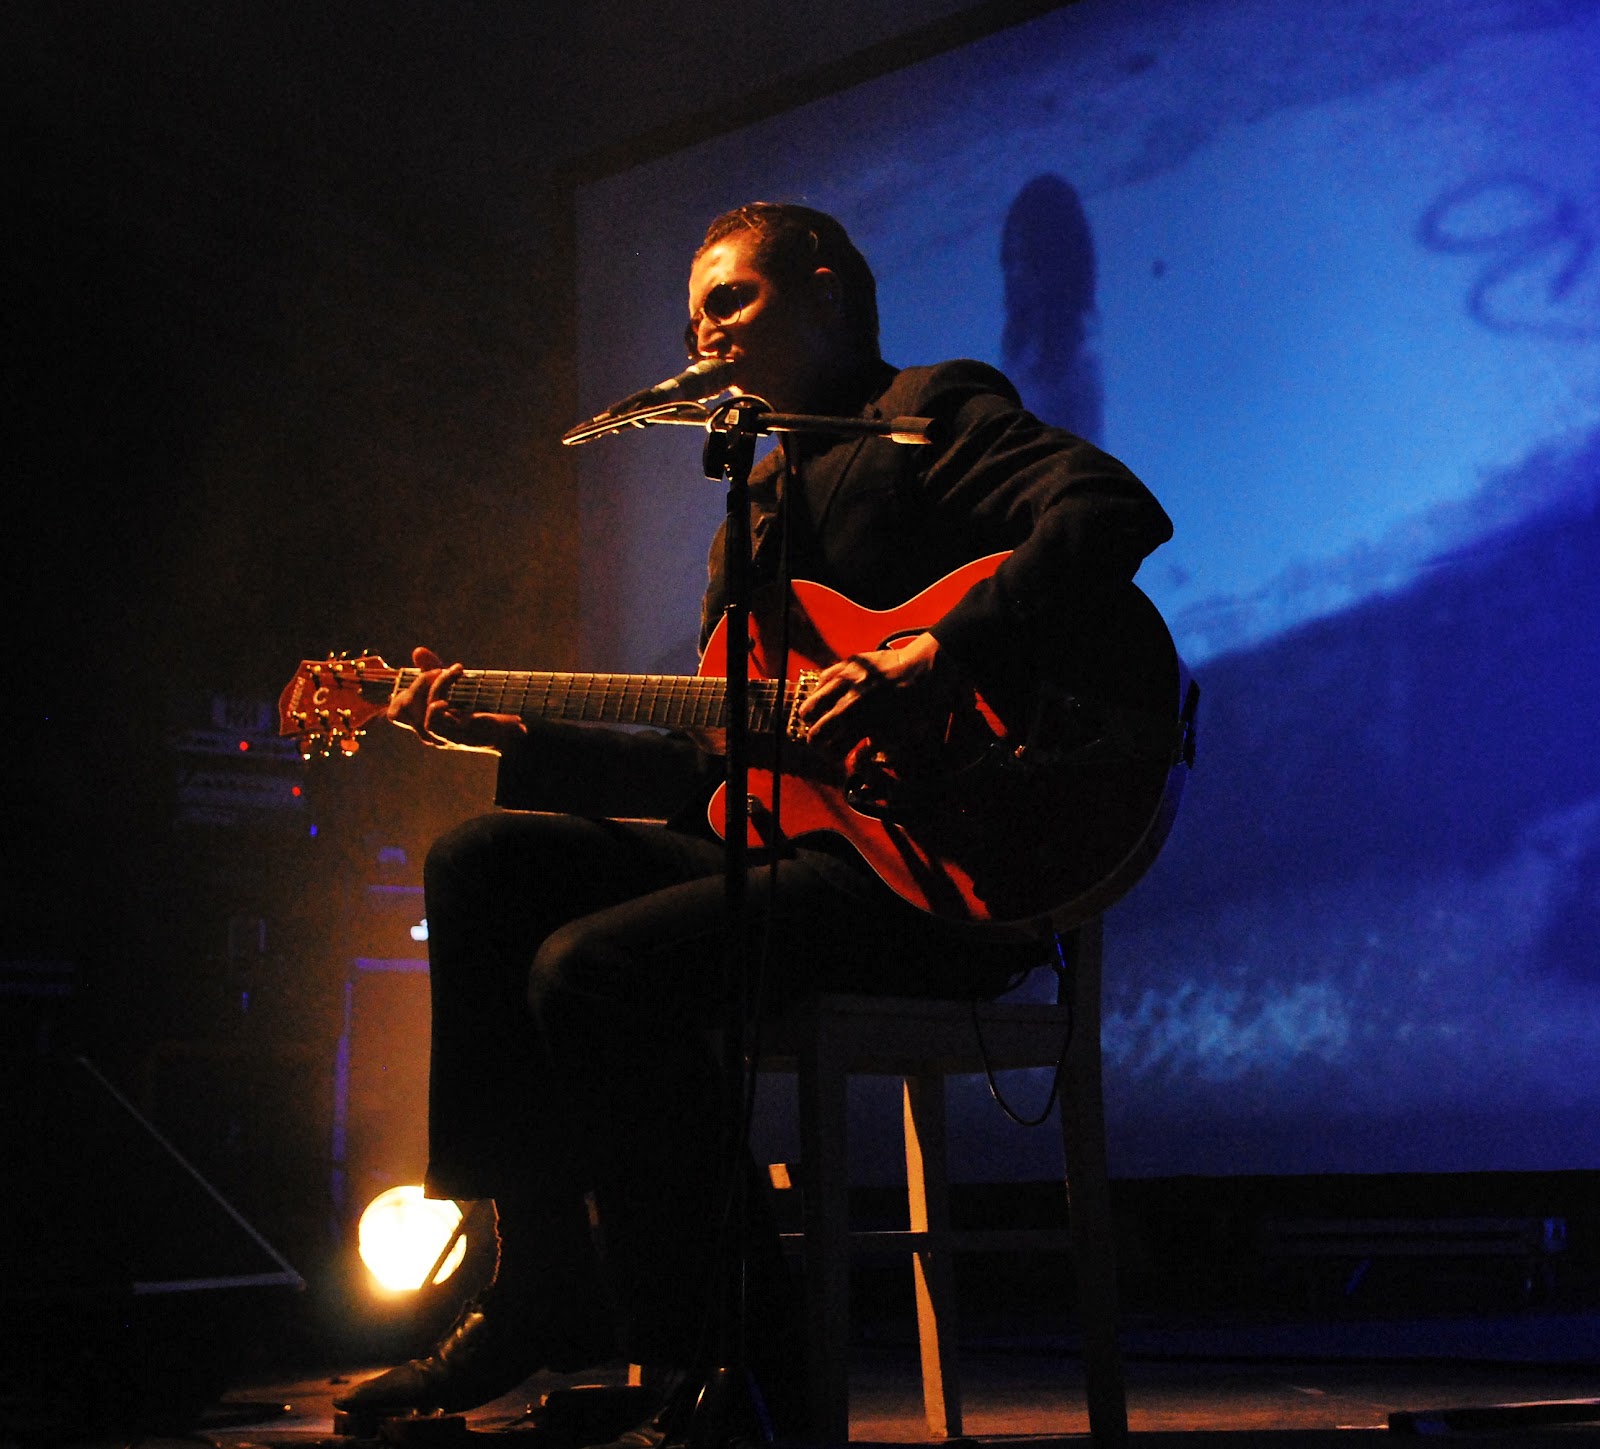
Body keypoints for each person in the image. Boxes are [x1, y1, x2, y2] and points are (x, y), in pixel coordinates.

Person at [332, 203, 1173, 1437]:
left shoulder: (924, 414)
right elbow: (708, 768)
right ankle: (536, 1287)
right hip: (798, 855)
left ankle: (736, 1372)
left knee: (593, 968)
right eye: (692, 318)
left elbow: (1110, 511)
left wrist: (936, 654)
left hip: (941, 867)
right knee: (484, 862)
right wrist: (507, 736)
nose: (704, 334)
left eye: (730, 300)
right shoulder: (757, 510)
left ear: (825, 292)